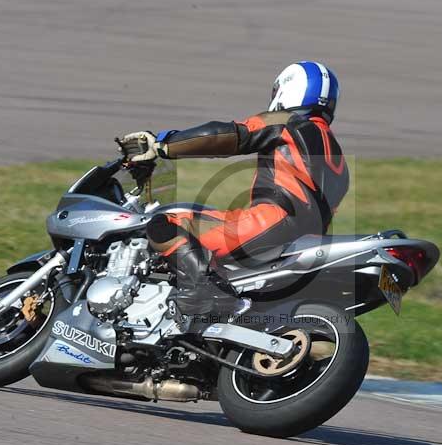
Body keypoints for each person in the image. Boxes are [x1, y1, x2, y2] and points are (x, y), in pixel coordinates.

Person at [119, 61, 348, 319]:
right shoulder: (339, 159)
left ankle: (198, 293)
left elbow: (228, 136)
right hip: (308, 239)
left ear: (288, 90)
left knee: (164, 223)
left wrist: (162, 144)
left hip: (271, 223)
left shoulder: (288, 122)